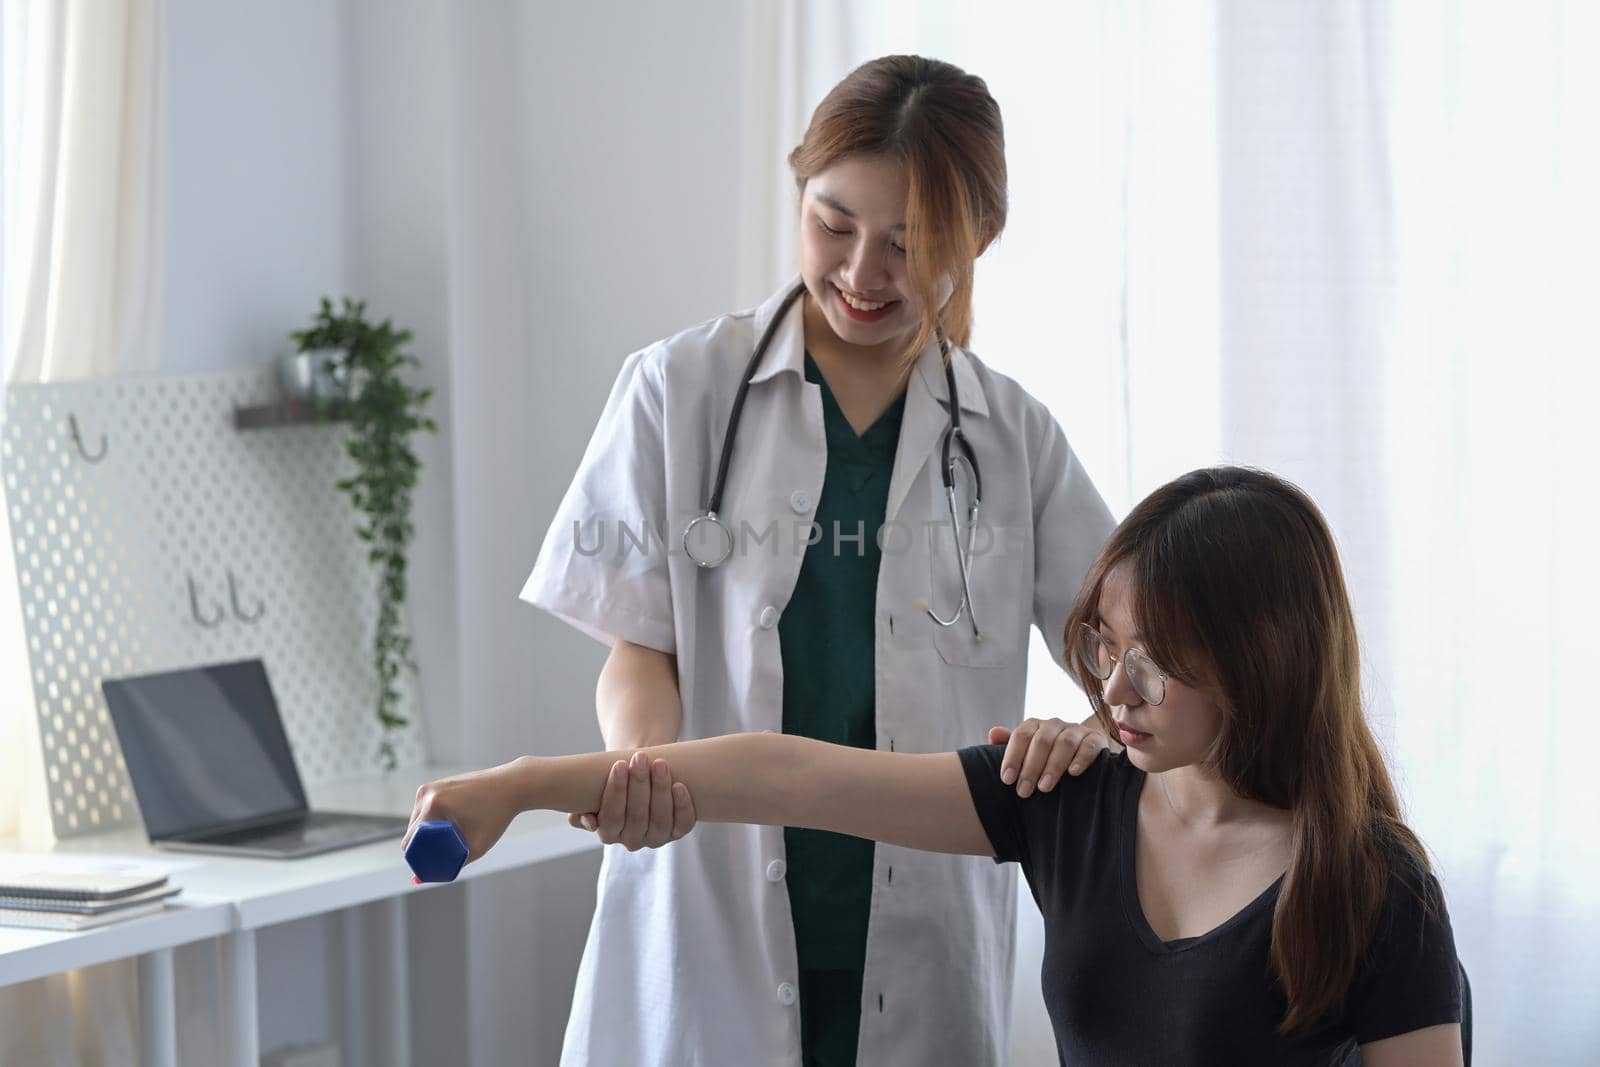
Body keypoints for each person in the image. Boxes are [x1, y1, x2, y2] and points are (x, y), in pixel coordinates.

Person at [417, 467, 1466, 1065]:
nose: (1116, 688)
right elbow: (789, 775)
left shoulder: (1374, 886)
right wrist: (517, 785)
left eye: (1166, 664)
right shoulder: (1066, 799)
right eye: (1105, 641)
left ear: (1266, 659)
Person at [518, 55, 1115, 1066]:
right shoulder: (680, 389)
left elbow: (1138, 662)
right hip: (708, 922)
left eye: (907, 242)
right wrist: (642, 765)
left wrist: (1091, 734)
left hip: (925, 939)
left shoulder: (1012, 438)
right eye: (832, 224)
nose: (860, 272)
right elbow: (639, 647)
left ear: (977, 240)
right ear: (800, 191)